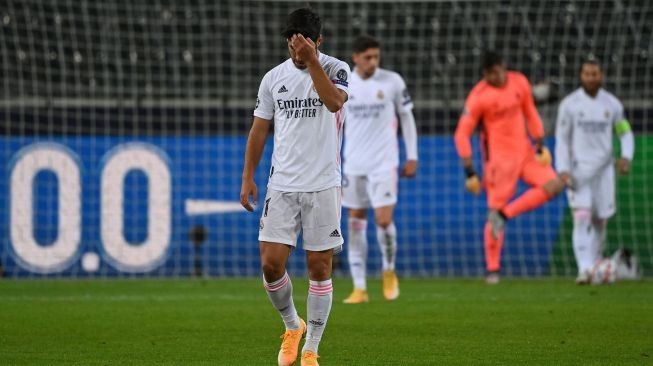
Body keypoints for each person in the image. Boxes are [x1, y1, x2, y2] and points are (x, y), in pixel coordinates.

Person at [239, 8, 349, 366]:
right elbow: (259, 129)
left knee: (319, 267)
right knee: (271, 265)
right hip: (282, 184)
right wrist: (247, 176)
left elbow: (334, 102)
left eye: (303, 42)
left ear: (317, 41)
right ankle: (292, 325)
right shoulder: (273, 78)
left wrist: (312, 62)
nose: (295, 48)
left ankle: (312, 349)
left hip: (323, 184)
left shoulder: (336, 69)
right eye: (291, 42)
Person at [454, 50, 564, 284]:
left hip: (525, 153)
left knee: (554, 185)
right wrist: (469, 169)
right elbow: (461, 134)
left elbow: (530, 111)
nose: (493, 78)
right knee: (492, 214)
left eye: (495, 72)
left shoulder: (519, 81)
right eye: (487, 74)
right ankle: (492, 270)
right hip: (499, 162)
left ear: (503, 66)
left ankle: (507, 215)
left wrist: (540, 141)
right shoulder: (479, 96)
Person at [341, 35, 418, 303]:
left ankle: (388, 270)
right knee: (355, 223)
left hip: (384, 163)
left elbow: (406, 118)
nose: (373, 62)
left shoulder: (392, 81)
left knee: (383, 220)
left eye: (376, 56)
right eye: (368, 57)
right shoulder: (344, 82)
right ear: (356, 57)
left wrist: (413, 156)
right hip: (353, 164)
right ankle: (359, 287)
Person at [554, 58, 635, 284]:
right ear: (581, 76)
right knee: (581, 217)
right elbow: (562, 139)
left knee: (600, 221)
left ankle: (596, 263)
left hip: (604, 171)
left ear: (601, 75)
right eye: (587, 74)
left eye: (595, 74)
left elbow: (625, 132)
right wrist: (563, 169)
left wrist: (626, 156)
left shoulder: (612, 104)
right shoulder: (569, 105)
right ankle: (584, 269)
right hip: (579, 172)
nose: (591, 78)